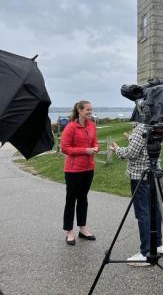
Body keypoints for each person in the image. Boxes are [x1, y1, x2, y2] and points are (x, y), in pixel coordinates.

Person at [111, 123, 163, 266]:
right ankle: (158, 244)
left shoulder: (141, 127)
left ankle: (146, 252)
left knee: (143, 212)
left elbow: (132, 154)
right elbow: (146, 148)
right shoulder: (156, 123)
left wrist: (117, 150)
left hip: (140, 176)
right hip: (153, 173)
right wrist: (131, 140)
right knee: (155, 209)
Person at [61, 100, 99, 245]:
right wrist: (84, 150)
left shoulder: (92, 125)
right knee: (71, 199)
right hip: (73, 170)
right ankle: (69, 231)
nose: (90, 112)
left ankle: (82, 228)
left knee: (83, 198)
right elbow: (65, 148)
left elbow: (95, 142)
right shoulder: (71, 127)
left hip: (89, 168)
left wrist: (96, 147)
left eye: (91, 109)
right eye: (87, 110)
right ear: (80, 110)